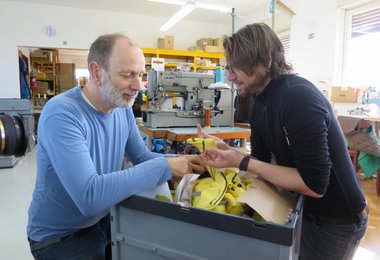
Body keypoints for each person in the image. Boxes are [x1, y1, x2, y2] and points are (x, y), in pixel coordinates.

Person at [198, 23, 368, 260]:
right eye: (229, 67)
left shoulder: (298, 97)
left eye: (237, 67)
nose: (230, 76)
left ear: (266, 61)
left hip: (336, 221)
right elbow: (261, 161)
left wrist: (242, 162)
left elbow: (315, 185)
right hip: (304, 211)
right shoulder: (260, 100)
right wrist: (229, 151)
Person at [27, 33, 204, 259]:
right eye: (127, 74)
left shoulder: (122, 108)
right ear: (96, 72)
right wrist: (166, 167)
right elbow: (89, 196)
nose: (138, 85)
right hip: (61, 238)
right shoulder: (62, 114)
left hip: (105, 220)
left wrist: (182, 161)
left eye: (140, 74)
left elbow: (140, 156)